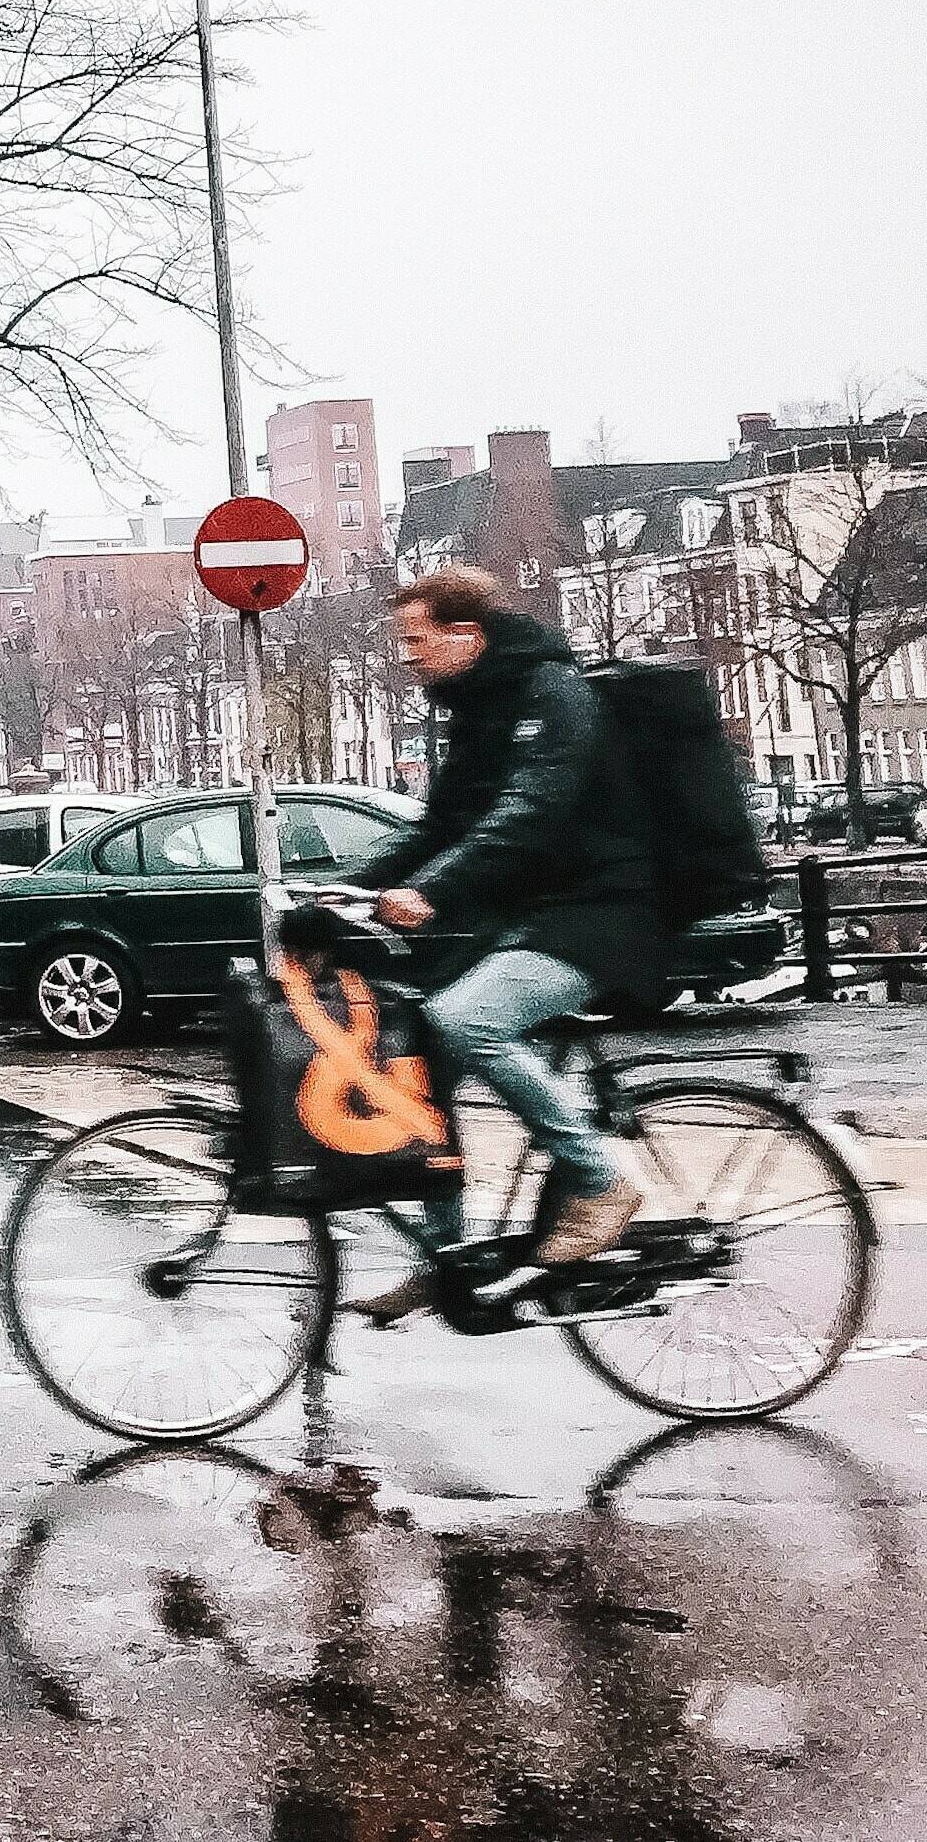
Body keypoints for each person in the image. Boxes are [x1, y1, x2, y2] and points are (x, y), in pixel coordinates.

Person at [345, 563, 662, 1324]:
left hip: (602, 909)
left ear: (467, 634)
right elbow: (441, 826)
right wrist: (346, 896)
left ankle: (599, 1179)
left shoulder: (551, 693)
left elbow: (531, 810)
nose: (406, 656)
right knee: (421, 1060)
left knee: (465, 1020)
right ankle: (445, 1259)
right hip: (533, 912)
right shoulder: (478, 707)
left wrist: (431, 892)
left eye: (416, 639)